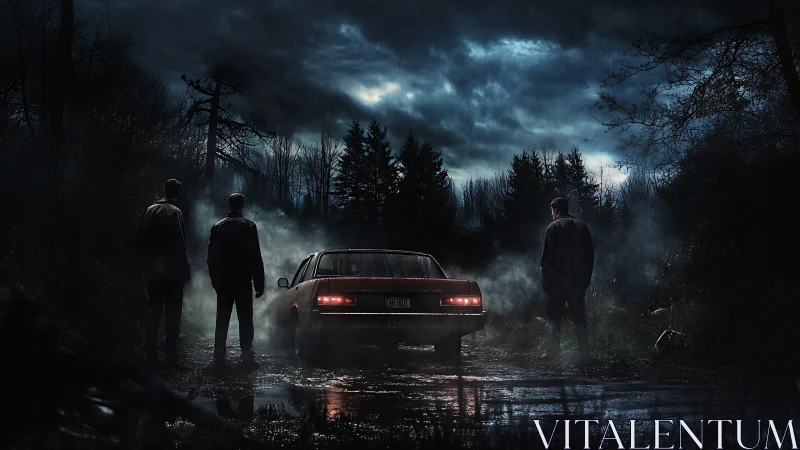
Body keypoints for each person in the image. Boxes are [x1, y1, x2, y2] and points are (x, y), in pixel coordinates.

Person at [138, 178, 191, 369]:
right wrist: (185, 272)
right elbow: (179, 245)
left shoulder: (149, 210)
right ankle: (171, 357)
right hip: (171, 274)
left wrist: (144, 268)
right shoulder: (175, 212)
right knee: (173, 314)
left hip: (153, 273)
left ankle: (150, 356)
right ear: (177, 193)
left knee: (153, 313)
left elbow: (140, 240)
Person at [207, 193, 265, 369]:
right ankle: (246, 355)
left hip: (224, 281)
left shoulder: (217, 227)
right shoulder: (249, 226)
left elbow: (211, 258)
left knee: (222, 318)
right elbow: (255, 256)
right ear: (242, 206)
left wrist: (215, 281)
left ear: (229, 205)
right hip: (242, 281)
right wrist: (259, 283)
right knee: (245, 319)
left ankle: (219, 356)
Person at [539, 197, 594, 361]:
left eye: (552, 211)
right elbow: (590, 257)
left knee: (553, 318)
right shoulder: (582, 227)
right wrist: (585, 281)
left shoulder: (552, 228)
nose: (551, 214)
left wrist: (546, 283)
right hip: (577, 282)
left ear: (555, 209)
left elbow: (545, 259)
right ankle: (584, 353)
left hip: (556, 283)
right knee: (579, 318)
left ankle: (551, 352)